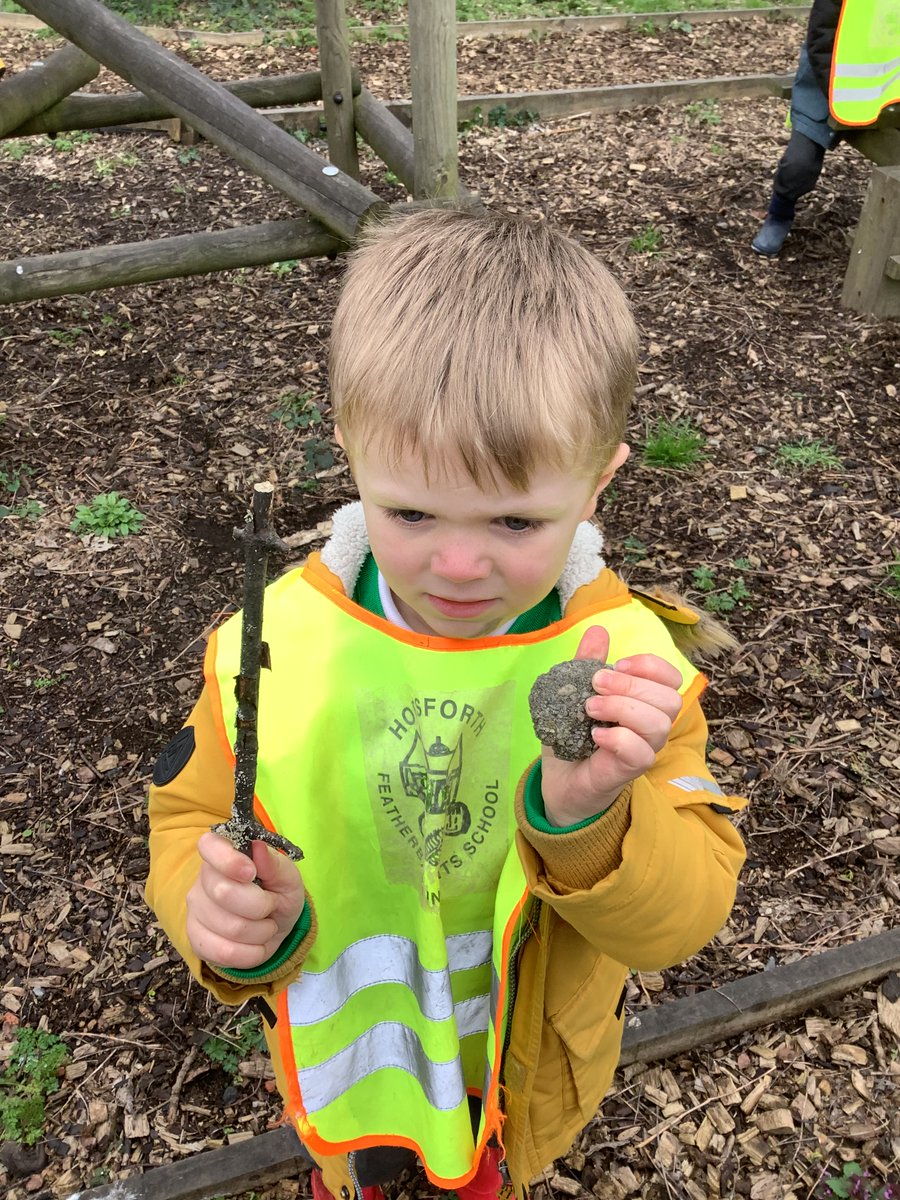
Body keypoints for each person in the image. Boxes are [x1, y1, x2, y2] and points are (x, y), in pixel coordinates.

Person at [146, 207, 747, 1200]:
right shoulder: (273, 647)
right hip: (353, 1078)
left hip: (513, 1076)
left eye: (515, 519)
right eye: (413, 512)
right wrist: (222, 914)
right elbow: (186, 820)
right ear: (349, 451)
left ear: (598, 481)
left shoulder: (631, 673)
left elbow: (679, 924)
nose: (459, 566)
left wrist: (588, 817)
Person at [752, 0, 845, 256]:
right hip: (826, 74)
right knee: (799, 163)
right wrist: (840, 93)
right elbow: (821, 37)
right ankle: (780, 213)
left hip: (889, 85)